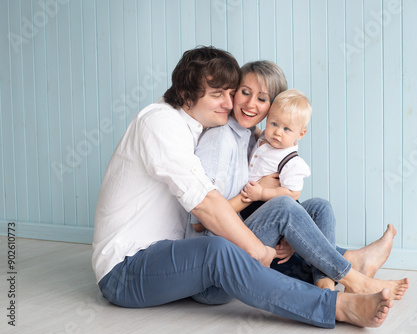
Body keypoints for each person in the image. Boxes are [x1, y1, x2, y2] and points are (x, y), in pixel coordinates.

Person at [92, 46, 394, 329]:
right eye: (217, 94)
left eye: (230, 92)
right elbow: (204, 207)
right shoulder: (161, 124)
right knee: (220, 247)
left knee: (310, 208)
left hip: (175, 258)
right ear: (186, 95)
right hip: (127, 271)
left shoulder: (202, 127)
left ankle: (338, 267)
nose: (229, 102)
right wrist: (255, 247)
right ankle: (336, 304)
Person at [190, 60, 409, 296]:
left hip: (245, 235)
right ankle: (353, 273)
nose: (251, 104)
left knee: (319, 208)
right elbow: (200, 222)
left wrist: (293, 238)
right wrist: (258, 192)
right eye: (244, 92)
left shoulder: (252, 136)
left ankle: (324, 284)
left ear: (271, 108)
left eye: (262, 99)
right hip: (215, 265)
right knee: (283, 207)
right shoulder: (221, 139)